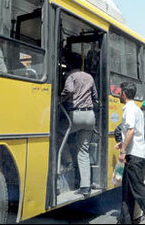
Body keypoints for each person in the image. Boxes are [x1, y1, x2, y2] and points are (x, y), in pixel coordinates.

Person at [116, 82, 145, 224]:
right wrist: (122, 143)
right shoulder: (136, 109)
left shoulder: (130, 109)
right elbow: (134, 133)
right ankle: (126, 220)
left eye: (119, 91)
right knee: (127, 192)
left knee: (140, 192)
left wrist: (123, 151)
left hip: (133, 156)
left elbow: (131, 130)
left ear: (124, 93)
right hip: (135, 154)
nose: (118, 93)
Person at [60, 52, 98, 198]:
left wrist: (60, 99)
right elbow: (95, 96)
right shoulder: (89, 77)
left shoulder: (71, 76)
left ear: (69, 65)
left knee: (57, 134)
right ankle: (85, 186)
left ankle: (68, 162)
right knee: (83, 151)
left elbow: (69, 90)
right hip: (90, 117)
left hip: (75, 115)